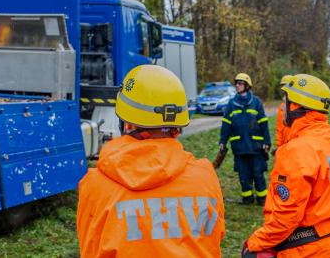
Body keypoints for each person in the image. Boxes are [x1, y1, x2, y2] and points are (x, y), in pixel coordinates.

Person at [78, 65, 225, 257]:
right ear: (177, 126)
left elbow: (90, 249)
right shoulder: (205, 179)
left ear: (126, 123)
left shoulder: (94, 185)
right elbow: (214, 240)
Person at [243, 74, 330, 258]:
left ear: (296, 107)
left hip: (310, 251)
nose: (282, 108)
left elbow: (286, 215)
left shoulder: (296, 151)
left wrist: (254, 243)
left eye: (285, 102)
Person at [218, 73, 270, 205]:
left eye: (240, 83)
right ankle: (247, 198)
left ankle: (262, 199)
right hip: (239, 147)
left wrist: (267, 141)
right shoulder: (231, 104)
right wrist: (223, 141)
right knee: (243, 174)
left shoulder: (256, 102)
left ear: (247, 86)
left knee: (258, 172)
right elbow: (226, 124)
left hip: (256, 146)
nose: (237, 85)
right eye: (236, 83)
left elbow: (263, 123)